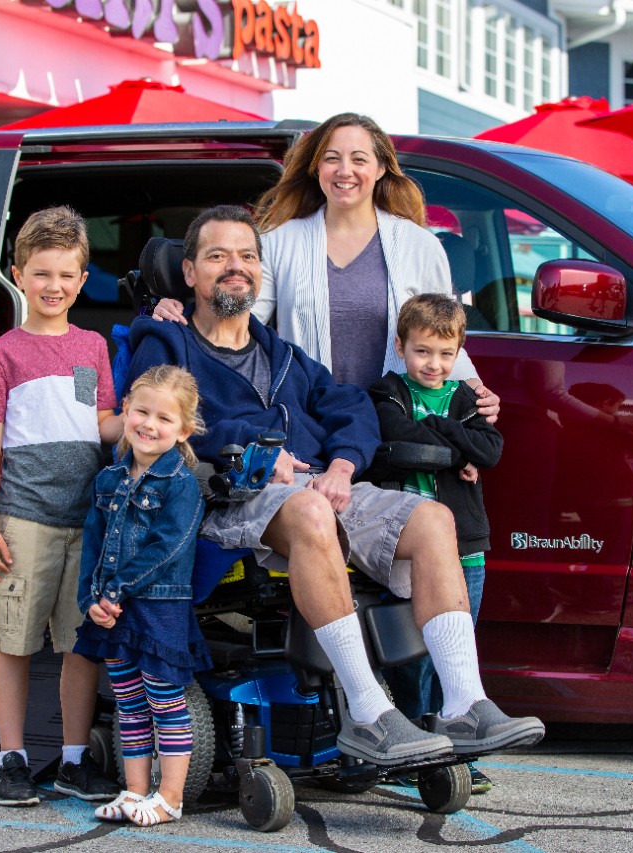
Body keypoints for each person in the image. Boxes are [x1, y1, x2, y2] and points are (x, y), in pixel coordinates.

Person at [126, 205, 543, 767]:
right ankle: (369, 713)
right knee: (312, 513)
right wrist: (256, 445)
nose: (236, 267)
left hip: (320, 487)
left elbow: (350, 406)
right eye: (218, 256)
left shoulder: (284, 356)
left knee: (432, 519)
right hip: (227, 494)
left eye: (248, 256)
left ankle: (464, 704)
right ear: (191, 273)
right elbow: (155, 419)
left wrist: (345, 465)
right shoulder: (168, 344)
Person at [151, 111, 499, 417]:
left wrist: (475, 391)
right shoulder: (279, 241)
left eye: (359, 159)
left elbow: (443, 334)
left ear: (380, 169)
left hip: (400, 429)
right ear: (317, 167)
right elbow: (238, 322)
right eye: (332, 158)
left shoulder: (419, 246)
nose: (344, 170)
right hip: (310, 423)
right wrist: (179, 311)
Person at [0, 205, 123, 807]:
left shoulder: (92, 348)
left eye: (65, 275)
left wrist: (142, 426)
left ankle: (75, 761)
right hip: (22, 519)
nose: (53, 286)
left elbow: (99, 423)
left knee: (79, 646)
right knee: (14, 643)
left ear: (83, 280)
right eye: (40, 274)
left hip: (83, 520)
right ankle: (12, 760)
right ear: (17, 275)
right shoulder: (3, 353)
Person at [366, 293, 503, 792]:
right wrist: (456, 449)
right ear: (401, 347)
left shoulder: (466, 397)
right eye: (423, 352)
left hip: (465, 547)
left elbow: (490, 449)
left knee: (455, 650)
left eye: (445, 355)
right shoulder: (387, 393)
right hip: (405, 549)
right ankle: (413, 741)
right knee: (410, 655)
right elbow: (402, 444)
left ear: (459, 351)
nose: (434, 364)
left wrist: (443, 430)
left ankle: (459, 749)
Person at [75, 365, 212, 827]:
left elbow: (167, 547)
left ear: (184, 430)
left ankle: (170, 797)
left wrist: (115, 589)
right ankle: (135, 792)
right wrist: (90, 599)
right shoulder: (108, 480)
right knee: (128, 702)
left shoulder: (181, 485)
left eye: (164, 419)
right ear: (126, 412)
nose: (149, 426)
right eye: (141, 412)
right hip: (112, 609)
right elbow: (91, 545)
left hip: (158, 608)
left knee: (164, 700)